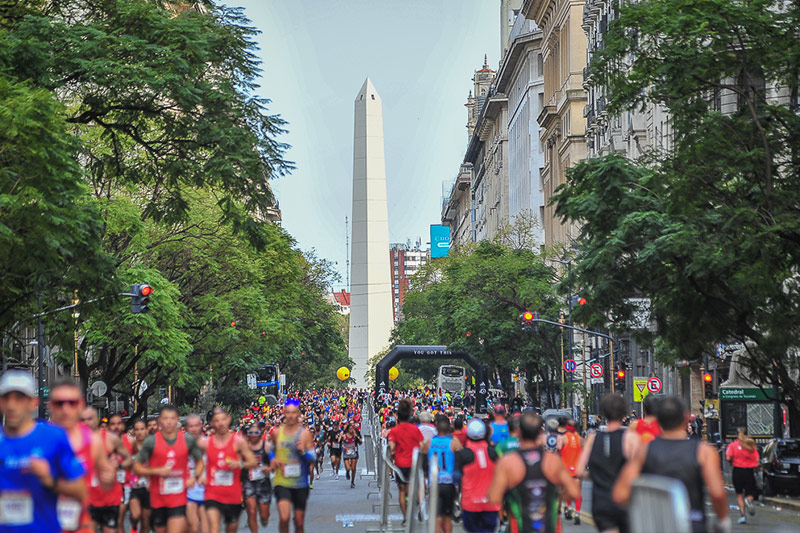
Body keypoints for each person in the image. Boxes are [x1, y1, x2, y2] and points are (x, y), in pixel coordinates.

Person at [613, 396, 729, 533]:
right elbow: (717, 493)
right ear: (686, 418)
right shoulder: (704, 451)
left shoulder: (644, 450)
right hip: (691, 523)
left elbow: (620, 494)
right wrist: (723, 521)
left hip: (655, 525)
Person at [0, 370, 87, 533]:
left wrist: (50, 480)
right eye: (6, 398)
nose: (11, 406)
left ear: (33, 402)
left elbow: (81, 491)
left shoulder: (53, 437)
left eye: (19, 398)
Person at [488, 411, 581, 533]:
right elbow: (574, 492)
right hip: (548, 526)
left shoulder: (508, 462)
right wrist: (554, 496)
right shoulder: (552, 461)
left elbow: (494, 497)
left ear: (519, 432)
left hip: (520, 526)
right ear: (539, 433)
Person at [49, 378, 114, 533]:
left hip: (80, 524)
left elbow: (105, 481)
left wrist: (109, 477)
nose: (65, 409)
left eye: (71, 403)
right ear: (50, 405)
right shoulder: (37, 438)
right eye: (59, 403)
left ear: (80, 405)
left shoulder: (93, 441)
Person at [133, 405, 205, 533]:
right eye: (166, 418)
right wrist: (156, 471)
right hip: (158, 498)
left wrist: (194, 478)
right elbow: (136, 467)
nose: (169, 422)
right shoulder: (151, 442)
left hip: (179, 497)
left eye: (172, 418)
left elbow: (200, 462)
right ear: (160, 420)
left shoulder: (187, 440)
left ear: (177, 419)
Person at [575, 393, 631, 533]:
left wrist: (596, 475)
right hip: (624, 500)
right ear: (623, 414)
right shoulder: (630, 438)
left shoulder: (592, 438)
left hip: (601, 500)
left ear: (604, 413)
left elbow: (579, 470)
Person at [204, 407, 257, 533]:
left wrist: (239, 463)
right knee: (214, 528)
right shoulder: (205, 442)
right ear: (212, 423)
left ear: (228, 419)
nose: (220, 423)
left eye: (223, 419)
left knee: (231, 528)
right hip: (212, 491)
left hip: (233, 491)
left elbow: (253, 462)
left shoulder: (238, 441)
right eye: (216, 420)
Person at [81, 408, 133, 533]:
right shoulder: (75, 439)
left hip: (109, 497)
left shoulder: (110, 439)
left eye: (90, 419)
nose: (87, 422)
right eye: (83, 419)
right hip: (88, 497)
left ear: (96, 420)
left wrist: (118, 465)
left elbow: (129, 459)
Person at [270, 398, 316, 533]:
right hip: (281, 481)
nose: (291, 416)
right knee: (284, 518)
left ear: (298, 414)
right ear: (284, 414)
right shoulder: (277, 433)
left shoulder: (305, 434)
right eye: (288, 412)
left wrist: (303, 452)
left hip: (300, 483)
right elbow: (270, 450)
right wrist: (272, 459)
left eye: (294, 412)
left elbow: (313, 457)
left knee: (299, 522)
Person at [454, 418, 500, 533]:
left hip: (470, 503)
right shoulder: (494, 452)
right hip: (491, 503)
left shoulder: (462, 455)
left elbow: (456, 478)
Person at [388, 398, 424, 522]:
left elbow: (392, 448)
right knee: (415, 488)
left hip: (400, 464)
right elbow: (422, 446)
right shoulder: (415, 430)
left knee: (402, 491)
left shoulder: (394, 431)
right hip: (414, 464)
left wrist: (392, 456)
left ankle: (406, 517)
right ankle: (419, 506)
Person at [423, 417, 461, 533]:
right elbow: (461, 457)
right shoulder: (453, 443)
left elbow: (423, 461)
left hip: (434, 482)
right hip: (449, 483)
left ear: (436, 429)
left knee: (437, 516)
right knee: (448, 516)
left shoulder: (429, 443)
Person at [243, 424, 272, 533]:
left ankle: (264, 517)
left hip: (263, 483)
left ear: (260, 434)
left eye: (256, 433)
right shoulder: (243, 447)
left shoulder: (266, 446)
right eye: (251, 433)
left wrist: (269, 468)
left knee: (264, 515)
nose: (253, 435)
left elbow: (274, 462)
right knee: (251, 511)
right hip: (248, 483)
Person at [726, 428, 759, 524]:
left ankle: (743, 516)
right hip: (749, 471)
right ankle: (748, 500)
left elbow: (728, 458)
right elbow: (757, 458)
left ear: (737, 435)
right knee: (750, 492)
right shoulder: (750, 444)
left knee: (739, 494)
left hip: (737, 471)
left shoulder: (733, 445)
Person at [184, 414, 209, 533]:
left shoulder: (208, 442)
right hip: (188, 487)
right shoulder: (181, 444)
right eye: (190, 426)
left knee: (206, 524)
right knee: (193, 526)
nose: (193, 429)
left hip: (206, 486)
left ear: (201, 425)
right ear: (186, 427)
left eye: (196, 425)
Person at [558, 418, 583, 525]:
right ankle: (577, 512)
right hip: (577, 469)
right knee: (577, 491)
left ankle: (568, 506)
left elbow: (558, 449)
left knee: (567, 490)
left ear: (567, 427)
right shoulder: (581, 439)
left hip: (565, 469)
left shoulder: (563, 438)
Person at [127, 419, 151, 533]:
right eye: (137, 429)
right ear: (133, 431)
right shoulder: (130, 446)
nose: (140, 432)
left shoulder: (151, 446)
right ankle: (134, 526)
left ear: (146, 430)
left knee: (146, 523)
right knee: (135, 515)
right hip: (134, 487)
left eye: (142, 429)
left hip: (149, 488)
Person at [341, 423, 362, 488]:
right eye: (350, 429)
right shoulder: (344, 435)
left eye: (352, 429)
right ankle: (347, 472)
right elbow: (340, 443)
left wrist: (356, 437)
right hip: (346, 453)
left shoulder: (355, 434)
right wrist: (343, 447)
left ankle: (352, 481)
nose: (351, 430)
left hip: (353, 452)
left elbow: (360, 442)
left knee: (353, 468)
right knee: (348, 467)